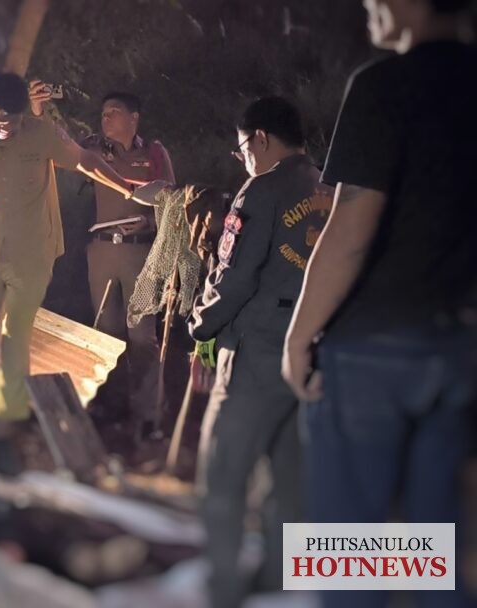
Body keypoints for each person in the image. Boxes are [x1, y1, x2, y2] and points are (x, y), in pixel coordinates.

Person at [282, 1, 477, 606]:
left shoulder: (384, 84)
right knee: (435, 545)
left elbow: (351, 226)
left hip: (372, 350)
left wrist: (299, 337)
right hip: (458, 348)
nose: (369, 6)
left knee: (350, 555)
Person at [0, 72, 165, 422]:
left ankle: (11, 415)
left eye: (14, 120)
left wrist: (129, 189)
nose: (7, 128)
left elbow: (84, 160)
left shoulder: (42, 134)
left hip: (31, 255)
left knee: (16, 337)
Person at [190, 97, 330, 608]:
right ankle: (276, 584)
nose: (244, 158)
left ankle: (222, 589)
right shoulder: (328, 188)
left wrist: (200, 324)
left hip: (258, 351)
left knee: (223, 475)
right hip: (312, 353)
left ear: (262, 139)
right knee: (288, 481)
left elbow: (234, 274)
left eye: (243, 148)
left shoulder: (262, 190)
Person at [74, 91, 175, 439]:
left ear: (134, 118)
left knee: (143, 336)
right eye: (104, 112)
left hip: (139, 254)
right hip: (102, 251)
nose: (106, 117)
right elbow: (62, 153)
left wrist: (147, 222)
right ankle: (110, 407)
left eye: (114, 112)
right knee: (106, 333)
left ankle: (147, 413)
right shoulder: (94, 149)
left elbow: (170, 201)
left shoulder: (153, 153)